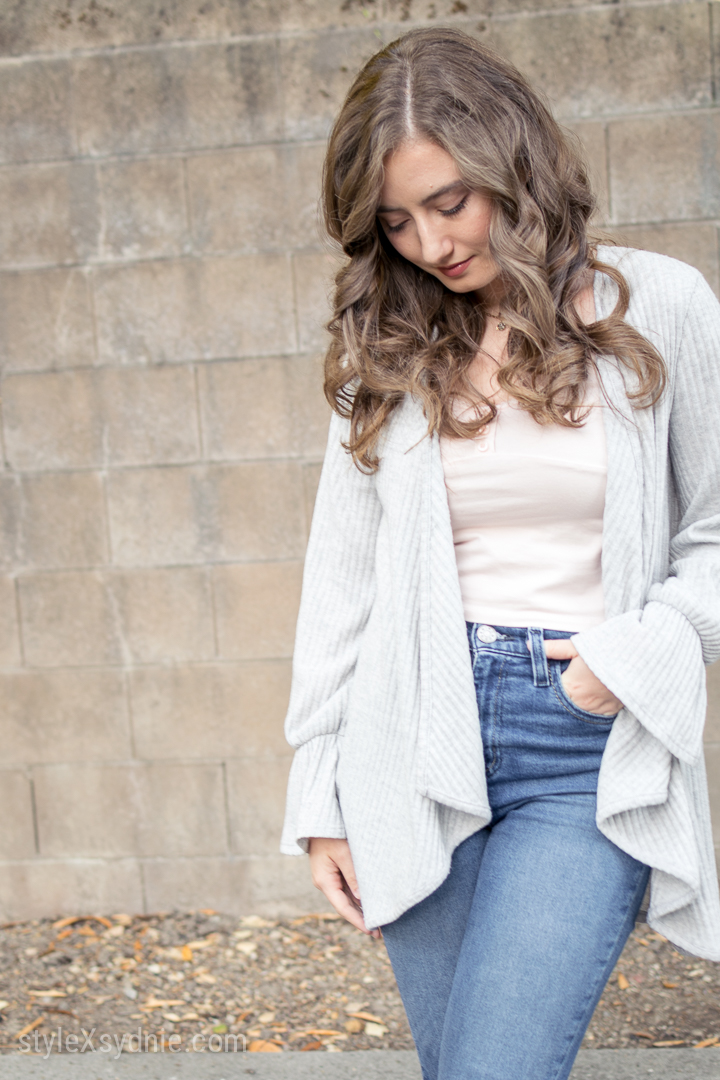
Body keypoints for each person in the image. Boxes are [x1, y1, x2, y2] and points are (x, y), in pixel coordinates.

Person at [280, 25, 720, 1080]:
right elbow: (340, 585)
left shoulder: (655, 306)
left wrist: (637, 656)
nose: (433, 245)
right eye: (397, 221)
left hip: (581, 742)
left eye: (451, 202)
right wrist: (319, 797)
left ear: (513, 163)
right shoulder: (393, 340)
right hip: (412, 738)